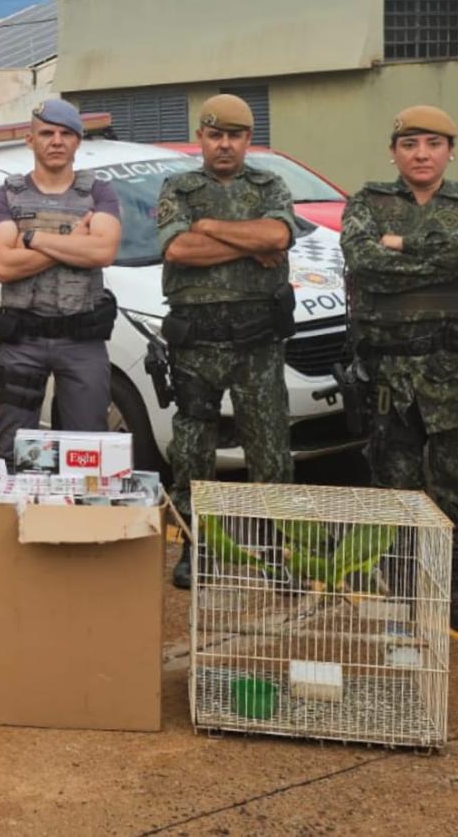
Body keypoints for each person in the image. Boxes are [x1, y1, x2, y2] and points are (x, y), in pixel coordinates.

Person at [339, 105, 458, 634]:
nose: (421, 154)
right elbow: (365, 261)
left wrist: (405, 245)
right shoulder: (369, 202)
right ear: (393, 152)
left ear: (450, 151)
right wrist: (439, 256)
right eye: (410, 144)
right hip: (392, 376)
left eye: (433, 144)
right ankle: (406, 591)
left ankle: (454, 593)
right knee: (397, 487)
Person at [156, 94, 298, 590]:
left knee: (270, 448)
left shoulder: (269, 184)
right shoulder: (179, 186)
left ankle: (277, 550)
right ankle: (197, 548)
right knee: (194, 447)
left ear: (247, 139)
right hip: (196, 343)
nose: (224, 144)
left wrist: (210, 226)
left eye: (234, 135)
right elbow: (177, 248)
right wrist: (248, 240)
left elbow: (279, 236)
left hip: (257, 344)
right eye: (215, 135)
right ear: (201, 137)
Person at [0, 99, 122, 463]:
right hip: (23, 341)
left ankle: (77, 521)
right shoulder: (7, 195)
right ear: (31, 140)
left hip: (81, 341)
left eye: (66, 134)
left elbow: (103, 251)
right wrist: (74, 240)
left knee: (89, 452)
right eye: (47, 133)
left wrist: (33, 238)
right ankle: (19, 517)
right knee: (16, 450)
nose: (56, 141)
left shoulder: (99, 193)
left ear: (78, 141)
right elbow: (3, 265)